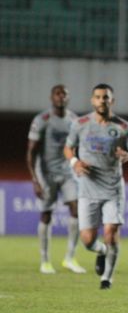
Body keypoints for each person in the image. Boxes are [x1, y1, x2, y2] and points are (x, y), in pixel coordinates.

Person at [64, 84, 128, 289]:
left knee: (111, 231)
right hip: (87, 188)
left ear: (112, 101)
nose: (102, 100)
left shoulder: (124, 127)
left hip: (113, 188)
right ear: (92, 101)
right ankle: (100, 251)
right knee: (87, 240)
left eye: (106, 97)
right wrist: (75, 162)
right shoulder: (80, 124)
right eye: (98, 97)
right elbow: (68, 148)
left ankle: (107, 279)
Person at [26, 84, 84, 274]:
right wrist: (35, 179)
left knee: (76, 208)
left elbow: (79, 146)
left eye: (64, 94)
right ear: (51, 98)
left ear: (68, 98)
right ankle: (45, 260)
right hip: (46, 172)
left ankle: (70, 258)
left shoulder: (74, 120)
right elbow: (31, 152)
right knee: (47, 213)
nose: (61, 97)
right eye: (58, 94)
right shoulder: (42, 120)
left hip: (67, 172)